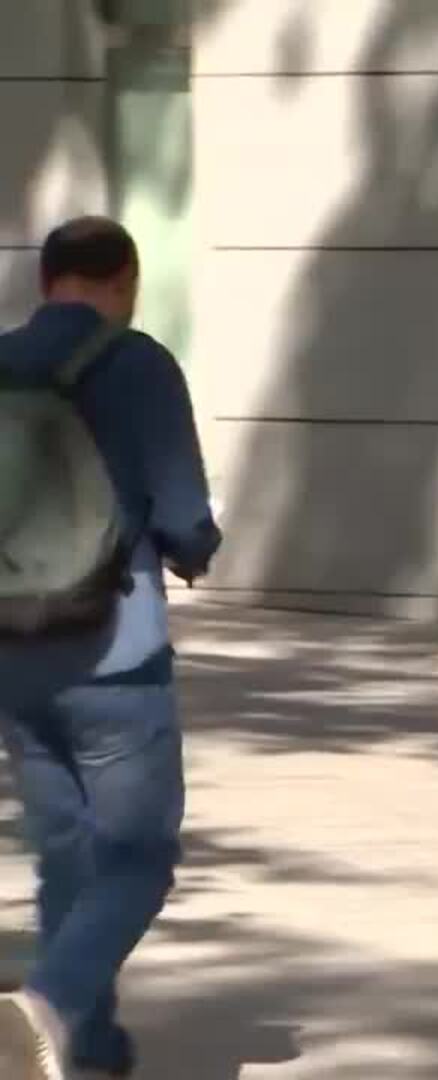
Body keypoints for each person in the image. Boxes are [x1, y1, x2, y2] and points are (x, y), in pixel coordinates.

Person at [0, 217, 221, 1080]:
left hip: (14, 652)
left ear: (45, 281)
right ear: (125, 280)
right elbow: (184, 514)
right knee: (138, 858)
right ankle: (50, 1005)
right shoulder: (139, 366)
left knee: (67, 851)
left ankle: (83, 1045)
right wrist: (194, 550)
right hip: (113, 651)